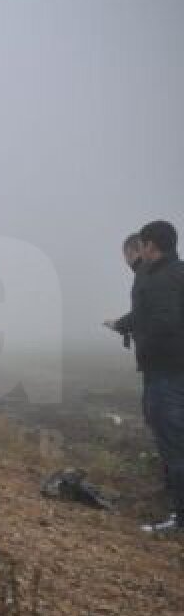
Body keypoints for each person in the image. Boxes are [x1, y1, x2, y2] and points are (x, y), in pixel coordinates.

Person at [129, 221, 184, 534]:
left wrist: (142, 341)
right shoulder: (179, 272)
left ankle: (180, 519)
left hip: (167, 373)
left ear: (150, 246)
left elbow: (165, 323)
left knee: (174, 443)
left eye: (143, 246)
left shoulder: (162, 278)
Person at [104, 233, 144, 350]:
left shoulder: (147, 276)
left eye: (128, 255)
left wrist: (118, 325)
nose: (127, 261)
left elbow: (145, 314)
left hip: (165, 359)